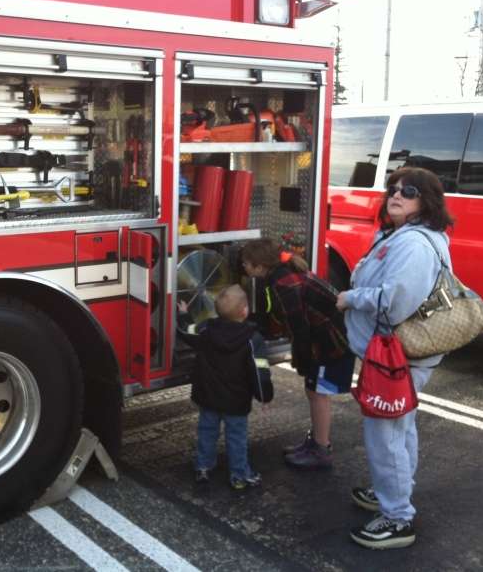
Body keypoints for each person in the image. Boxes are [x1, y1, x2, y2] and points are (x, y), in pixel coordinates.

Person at [336, 166, 453, 550]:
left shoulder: (415, 244)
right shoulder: (400, 234)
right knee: (400, 428)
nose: (397, 195)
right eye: (393, 188)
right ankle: (393, 491)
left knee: (385, 435)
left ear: (427, 200)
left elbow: (394, 301)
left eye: (410, 190)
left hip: (397, 357)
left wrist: (351, 298)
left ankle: (397, 517)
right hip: (393, 355)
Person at [240, 238, 353, 470]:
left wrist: (302, 360)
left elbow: (299, 328)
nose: (243, 267)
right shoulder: (283, 274)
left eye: (246, 264)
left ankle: (321, 449)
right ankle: (315, 442)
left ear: (260, 267)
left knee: (319, 393)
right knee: (313, 391)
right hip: (324, 341)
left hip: (331, 344)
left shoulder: (284, 283)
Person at [177, 285, 265, 490]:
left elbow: (187, 333)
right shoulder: (252, 339)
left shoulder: (207, 329)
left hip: (208, 397)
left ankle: (203, 466)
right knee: (236, 437)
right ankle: (240, 475)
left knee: (207, 432)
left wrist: (183, 314)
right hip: (236, 401)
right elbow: (259, 371)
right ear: (245, 311)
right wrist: (264, 395)